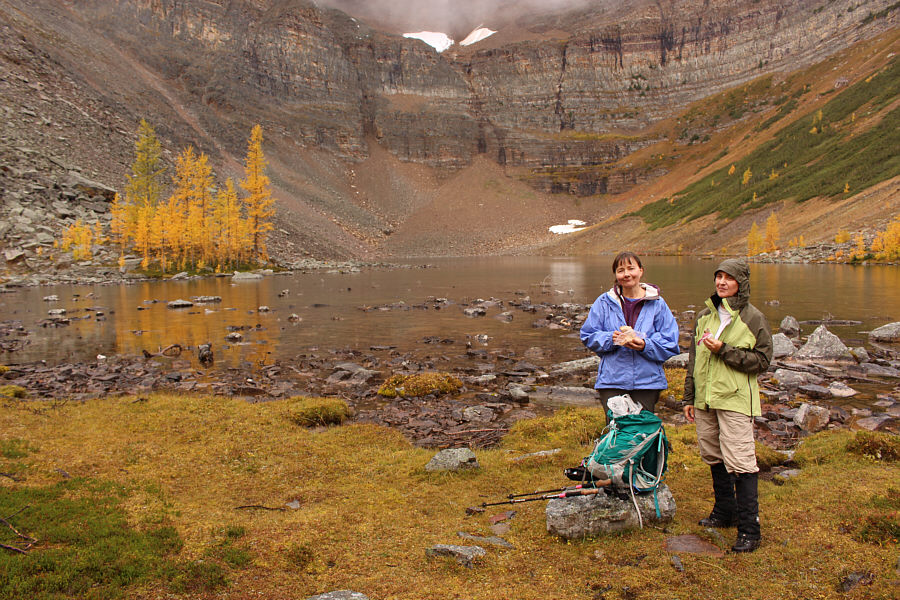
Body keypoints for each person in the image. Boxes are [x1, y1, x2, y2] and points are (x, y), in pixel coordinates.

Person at [682, 258, 773, 553]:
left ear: (741, 282)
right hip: (705, 399)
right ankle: (725, 512)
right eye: (718, 276)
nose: (721, 282)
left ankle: (750, 530)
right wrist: (689, 397)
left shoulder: (753, 318)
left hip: (734, 399)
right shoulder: (704, 316)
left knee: (742, 461)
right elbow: (694, 360)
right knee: (713, 454)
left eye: (728, 278)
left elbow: (762, 361)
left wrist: (725, 351)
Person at [580, 251, 681, 414]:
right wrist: (609, 338)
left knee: (643, 433)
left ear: (641, 270)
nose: (626, 274)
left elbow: (670, 342)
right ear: (615, 274)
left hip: (648, 382)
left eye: (631, 268)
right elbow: (588, 335)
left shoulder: (658, 304)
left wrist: (644, 345)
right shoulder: (604, 302)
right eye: (620, 270)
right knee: (616, 431)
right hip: (612, 382)